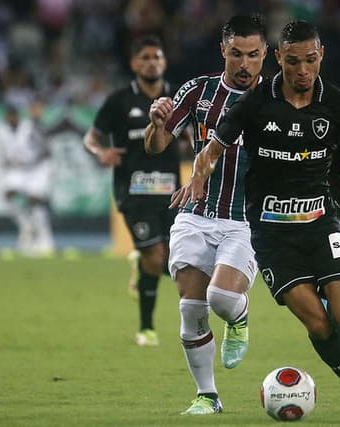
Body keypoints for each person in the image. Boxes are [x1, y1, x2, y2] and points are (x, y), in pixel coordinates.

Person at [170, 20, 340, 419]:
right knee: (317, 323)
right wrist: (199, 174)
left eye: (310, 61)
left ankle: (339, 315)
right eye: (293, 61)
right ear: (278, 58)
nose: (302, 70)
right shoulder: (257, 103)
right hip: (272, 236)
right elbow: (213, 146)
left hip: (321, 225)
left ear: (321, 57)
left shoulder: (334, 103)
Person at [144, 14, 267, 415]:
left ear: (266, 54)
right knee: (191, 307)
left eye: (253, 55)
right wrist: (156, 123)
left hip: (245, 221)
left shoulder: (278, 99)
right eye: (236, 54)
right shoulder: (199, 91)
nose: (244, 63)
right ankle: (207, 396)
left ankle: (240, 317)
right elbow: (156, 145)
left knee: (222, 298)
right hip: (196, 214)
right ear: (223, 51)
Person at [83, 36, 180, 347]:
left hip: (172, 194)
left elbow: (194, 132)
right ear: (134, 64)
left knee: (174, 261)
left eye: (157, 56)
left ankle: (141, 267)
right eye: (145, 57)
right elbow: (91, 138)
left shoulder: (177, 99)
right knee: (154, 256)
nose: (151, 62)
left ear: (164, 62)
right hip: (133, 193)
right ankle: (147, 328)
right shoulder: (119, 101)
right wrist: (100, 153)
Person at [2, 99, 55, 256]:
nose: (11, 118)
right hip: (21, 169)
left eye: (13, 115)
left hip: (39, 167)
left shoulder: (30, 126)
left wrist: (37, 118)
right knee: (8, 194)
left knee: (35, 200)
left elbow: (46, 146)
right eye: (8, 115)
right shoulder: (4, 131)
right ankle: (26, 226)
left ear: (18, 115)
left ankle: (46, 240)